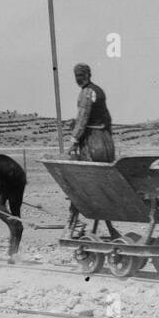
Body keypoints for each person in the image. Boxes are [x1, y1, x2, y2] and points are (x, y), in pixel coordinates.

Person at [66, 63, 116, 239]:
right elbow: (108, 118)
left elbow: (82, 119)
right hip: (105, 141)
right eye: (76, 76)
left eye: (80, 75)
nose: (78, 79)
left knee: (81, 183)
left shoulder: (87, 92)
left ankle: (73, 223)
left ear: (87, 75)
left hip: (93, 142)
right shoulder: (99, 91)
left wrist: (73, 142)